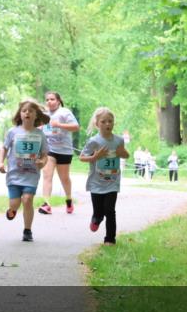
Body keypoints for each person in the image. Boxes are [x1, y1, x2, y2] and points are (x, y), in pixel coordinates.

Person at [0, 99, 50, 243]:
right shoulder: (13, 132)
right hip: (14, 175)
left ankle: (27, 230)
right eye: (24, 111)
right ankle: (12, 209)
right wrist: (1, 162)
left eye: (30, 111)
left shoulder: (40, 134)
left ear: (36, 115)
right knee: (15, 204)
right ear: (20, 114)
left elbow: (45, 155)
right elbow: (4, 148)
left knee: (27, 200)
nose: (27, 113)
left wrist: (42, 162)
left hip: (31, 175)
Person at [79, 107, 129, 244]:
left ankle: (110, 239)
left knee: (110, 210)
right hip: (96, 182)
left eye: (110, 121)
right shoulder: (94, 141)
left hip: (112, 181)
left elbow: (126, 155)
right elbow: (82, 157)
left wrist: (122, 153)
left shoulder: (119, 140)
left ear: (113, 123)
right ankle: (96, 218)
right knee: (99, 211)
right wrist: (95, 157)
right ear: (97, 124)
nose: (107, 124)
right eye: (103, 121)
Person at [38, 92, 80, 215]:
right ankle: (46, 204)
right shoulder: (44, 115)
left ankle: (68, 199)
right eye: (47, 100)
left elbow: (76, 127)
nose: (49, 102)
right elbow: (42, 129)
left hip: (64, 150)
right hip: (49, 149)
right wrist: (40, 129)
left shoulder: (64, 112)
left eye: (52, 99)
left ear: (58, 101)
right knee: (47, 175)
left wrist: (59, 125)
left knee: (64, 178)